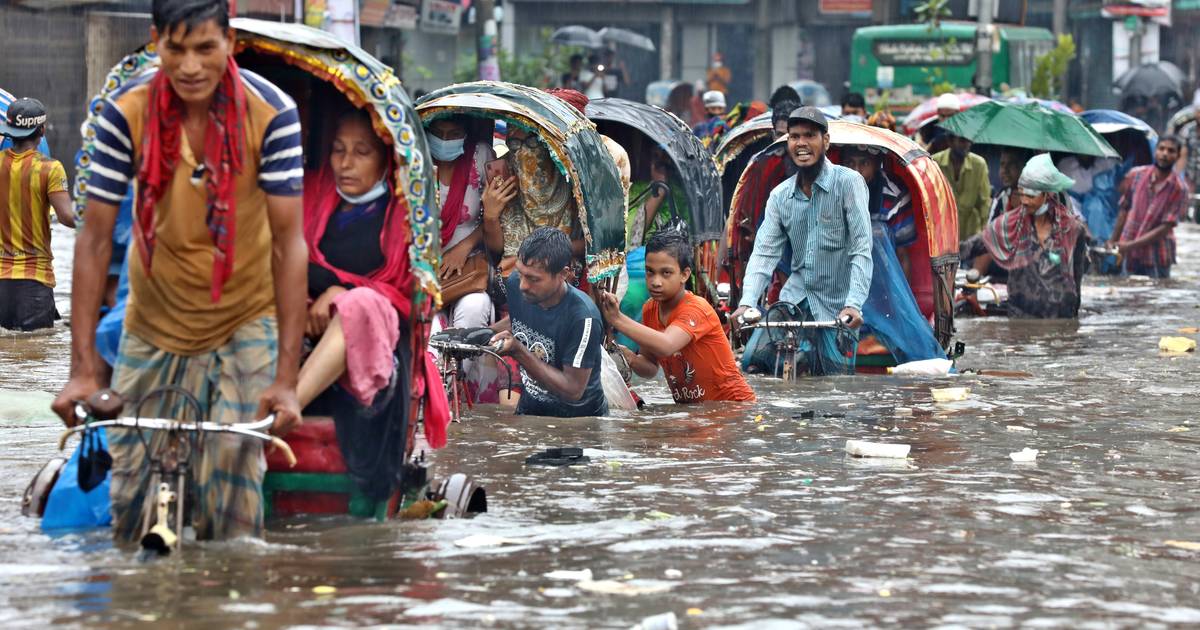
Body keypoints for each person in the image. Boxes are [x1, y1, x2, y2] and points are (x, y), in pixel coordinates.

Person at [51, 0, 307, 542]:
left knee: (234, 487)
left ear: (229, 44)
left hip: (246, 314)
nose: (190, 66)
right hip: (153, 318)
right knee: (131, 494)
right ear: (155, 41)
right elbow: (93, 241)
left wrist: (286, 380)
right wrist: (82, 370)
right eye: (177, 49)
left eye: (205, 48)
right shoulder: (126, 110)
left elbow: (289, 245)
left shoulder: (272, 113)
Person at [730, 106, 872, 376]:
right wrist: (747, 302)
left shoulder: (849, 184)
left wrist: (853, 303)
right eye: (795, 137)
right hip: (794, 299)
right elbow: (763, 254)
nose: (801, 143)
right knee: (753, 362)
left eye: (810, 136)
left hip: (836, 305)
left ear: (825, 141)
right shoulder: (780, 196)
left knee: (835, 380)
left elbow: (861, 250)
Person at [599, 230, 754, 404]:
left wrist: (617, 319)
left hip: (735, 408)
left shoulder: (697, 308)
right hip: (696, 412)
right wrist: (630, 358)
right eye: (650, 272)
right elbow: (650, 367)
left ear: (684, 275)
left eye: (666, 273)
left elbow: (666, 345)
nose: (655, 281)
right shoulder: (650, 309)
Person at [489, 227, 608, 417]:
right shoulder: (516, 284)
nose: (523, 285)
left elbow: (573, 390)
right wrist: (479, 334)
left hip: (577, 426)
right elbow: (519, 318)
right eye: (521, 273)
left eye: (534, 279)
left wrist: (518, 351)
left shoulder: (583, 318)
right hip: (529, 413)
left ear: (563, 274)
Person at [961, 154, 1088, 319]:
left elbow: (1078, 274)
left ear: (1046, 195)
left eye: (1031, 196)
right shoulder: (1009, 225)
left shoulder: (1073, 229)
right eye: (1022, 194)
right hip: (1021, 316)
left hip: (1060, 318)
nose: (1025, 201)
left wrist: (1073, 318)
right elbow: (973, 245)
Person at [0, 97, 77, 331]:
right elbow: (67, 217)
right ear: (42, 130)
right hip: (34, 282)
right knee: (36, 354)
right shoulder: (49, 168)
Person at [425, 115, 501, 330]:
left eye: (454, 135)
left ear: (465, 135)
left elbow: (497, 213)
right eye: (438, 134)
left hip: (468, 268)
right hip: (423, 272)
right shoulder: (414, 159)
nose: (445, 140)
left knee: (474, 310)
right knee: (427, 328)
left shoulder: (480, 155)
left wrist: (463, 247)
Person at [483, 125, 583, 276]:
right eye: (515, 144)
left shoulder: (573, 178)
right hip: (512, 278)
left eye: (532, 142)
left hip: (562, 274)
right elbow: (498, 248)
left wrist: (539, 256)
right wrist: (490, 216)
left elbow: (591, 244)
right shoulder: (507, 179)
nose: (523, 152)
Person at [1110, 136, 1188, 278]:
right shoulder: (1136, 175)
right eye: (1161, 149)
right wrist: (1112, 241)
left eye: (1171, 151)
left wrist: (1131, 245)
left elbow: (1165, 227)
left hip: (1158, 254)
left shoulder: (1179, 188)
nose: (1165, 153)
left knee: (1157, 293)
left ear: (1177, 156)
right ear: (1155, 151)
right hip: (1129, 249)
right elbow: (1124, 210)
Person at [841, 144, 916, 277]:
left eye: (864, 163)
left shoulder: (895, 196)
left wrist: (898, 297)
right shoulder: (830, 190)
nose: (856, 171)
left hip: (883, 277)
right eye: (849, 163)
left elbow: (902, 255)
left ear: (876, 164)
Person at [934, 132, 991, 241]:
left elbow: (985, 201)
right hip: (942, 234)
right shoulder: (935, 162)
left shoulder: (979, 164)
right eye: (962, 140)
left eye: (969, 140)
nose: (967, 144)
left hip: (971, 233)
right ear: (950, 141)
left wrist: (985, 230)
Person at [990, 148, 1033, 222]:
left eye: (1011, 164)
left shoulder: (1039, 198)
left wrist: (1021, 210)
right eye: (1002, 164)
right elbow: (991, 230)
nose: (1004, 170)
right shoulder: (1001, 197)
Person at [1177, 107, 1199, 221]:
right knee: (1186, 201)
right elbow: (1182, 154)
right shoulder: (1188, 130)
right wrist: (1177, 176)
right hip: (1190, 173)